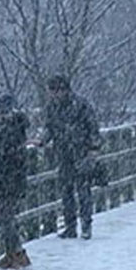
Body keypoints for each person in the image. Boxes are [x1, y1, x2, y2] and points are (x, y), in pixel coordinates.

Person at [41, 74, 101, 239]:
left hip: (81, 151)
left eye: (55, 91)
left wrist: (93, 149)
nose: (53, 95)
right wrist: (42, 140)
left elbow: (92, 126)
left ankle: (86, 225)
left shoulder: (81, 105)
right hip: (63, 153)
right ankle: (70, 226)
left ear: (64, 89)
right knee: (66, 191)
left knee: (83, 191)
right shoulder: (52, 107)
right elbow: (49, 127)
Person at [0, 94, 31, 269]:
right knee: (6, 216)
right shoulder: (17, 128)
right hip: (12, 178)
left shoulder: (10, 130)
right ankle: (12, 253)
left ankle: (16, 253)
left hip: (7, 179)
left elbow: (6, 155)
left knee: (4, 216)